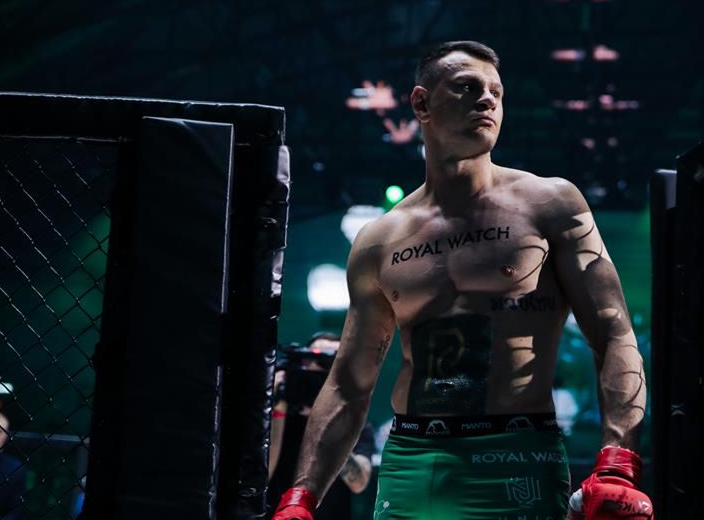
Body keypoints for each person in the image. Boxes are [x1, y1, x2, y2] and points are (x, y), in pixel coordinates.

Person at [271, 41, 651, 520]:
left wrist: (618, 462)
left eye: (496, 91)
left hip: (517, 454)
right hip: (411, 462)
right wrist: (300, 498)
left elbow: (613, 333)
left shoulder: (550, 204)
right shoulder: (378, 240)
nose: (487, 99)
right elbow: (349, 384)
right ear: (421, 103)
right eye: (468, 87)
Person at [267, 332, 374, 519]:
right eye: (313, 361)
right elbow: (264, 474)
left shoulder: (352, 422)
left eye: (329, 364)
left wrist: (326, 420)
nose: (318, 372)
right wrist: (278, 409)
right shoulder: (279, 411)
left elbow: (359, 483)